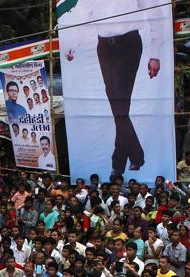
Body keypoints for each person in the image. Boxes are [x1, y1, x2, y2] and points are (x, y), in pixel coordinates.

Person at [62, 1, 162, 178]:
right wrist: (73, 45)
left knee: (120, 100)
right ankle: (131, 157)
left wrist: (155, 54)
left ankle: (124, 160)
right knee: (117, 104)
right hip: (105, 47)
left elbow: (155, 14)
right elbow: (84, 15)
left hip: (129, 43)